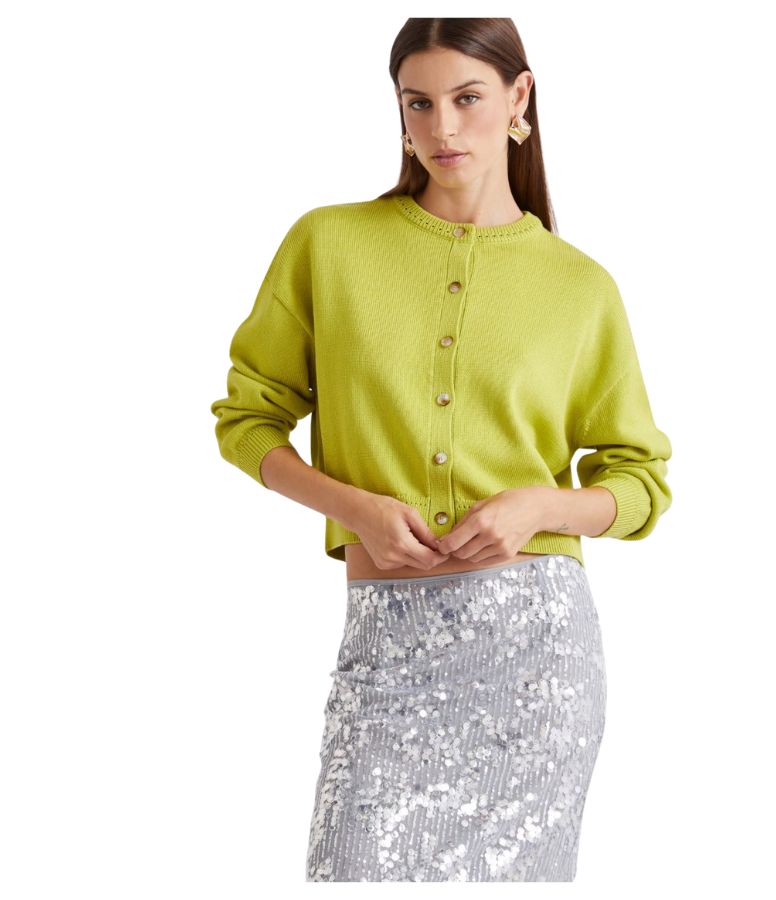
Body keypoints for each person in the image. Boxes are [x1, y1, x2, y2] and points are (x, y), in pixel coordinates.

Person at [210, 17, 672, 882]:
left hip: (536, 660)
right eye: (418, 103)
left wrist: (540, 506)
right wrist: (353, 508)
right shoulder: (328, 244)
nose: (442, 127)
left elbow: (639, 482)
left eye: (467, 98)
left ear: (519, 97)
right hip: (386, 646)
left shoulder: (581, 286)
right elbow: (248, 421)